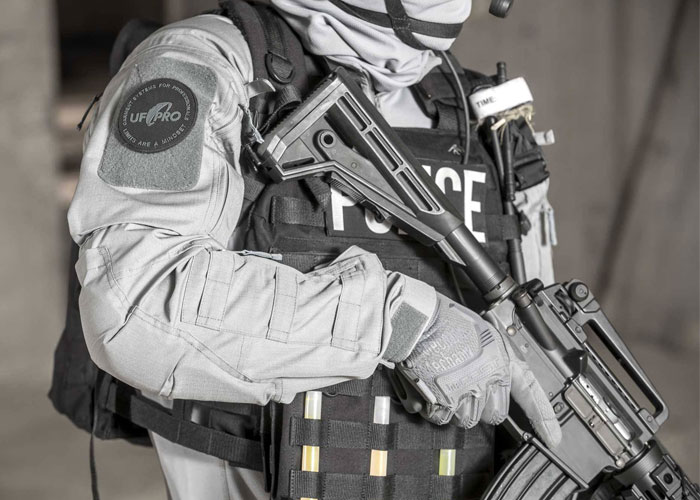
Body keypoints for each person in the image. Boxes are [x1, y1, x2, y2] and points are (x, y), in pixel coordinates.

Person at [55, 0, 561, 498]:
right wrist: (403, 324)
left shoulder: (481, 110)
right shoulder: (199, 63)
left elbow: (529, 328)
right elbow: (137, 303)